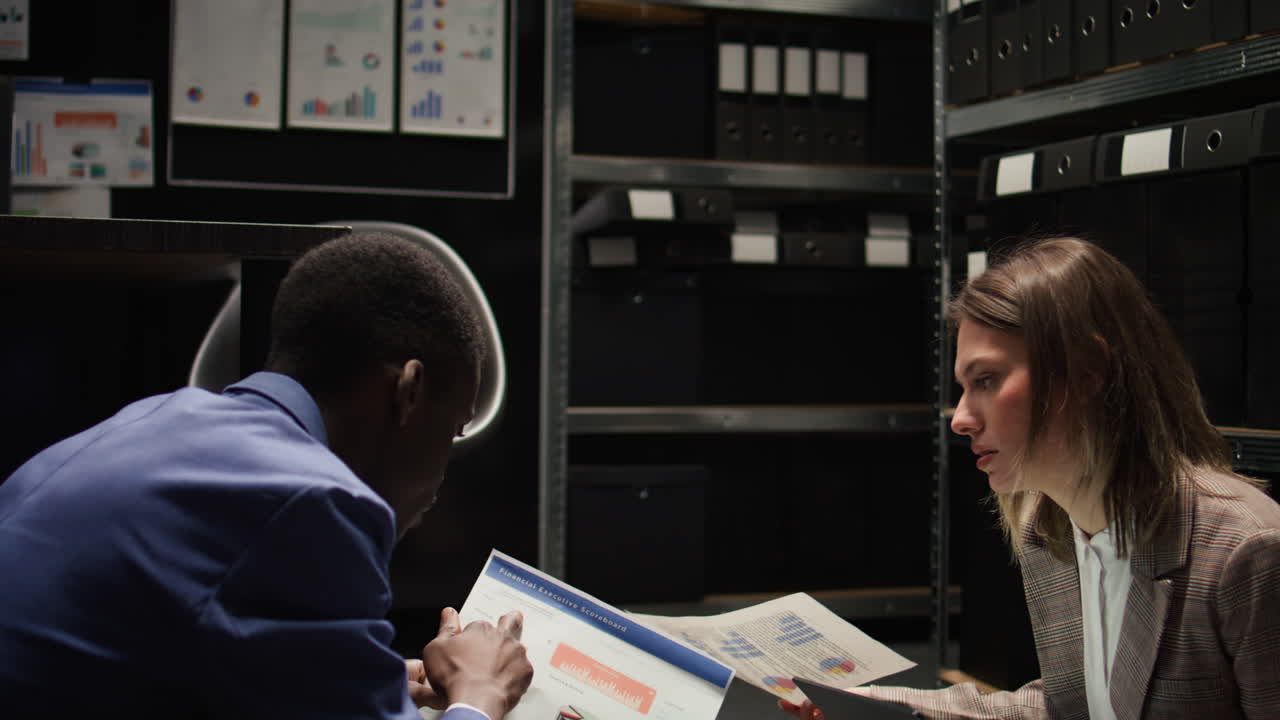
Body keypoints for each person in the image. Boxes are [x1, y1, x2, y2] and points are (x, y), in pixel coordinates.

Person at [0, 232, 533, 719]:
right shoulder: (314, 502)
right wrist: (479, 694)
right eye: (453, 430)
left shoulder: (150, 421)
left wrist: (361, 675)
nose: (444, 472)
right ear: (409, 391)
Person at [781, 236, 1280, 719]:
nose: (960, 419)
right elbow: (1075, 708)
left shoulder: (1248, 550)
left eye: (987, 381)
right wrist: (867, 709)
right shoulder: (1049, 529)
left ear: (1087, 371)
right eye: (964, 387)